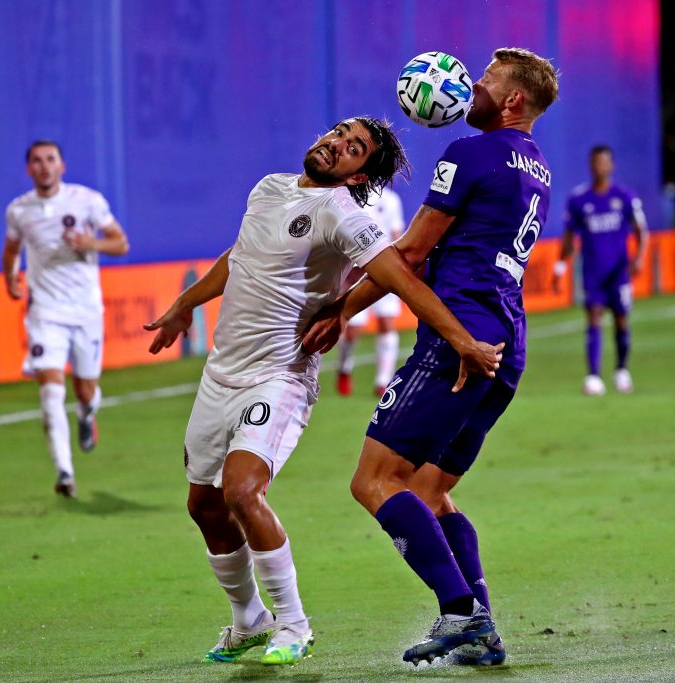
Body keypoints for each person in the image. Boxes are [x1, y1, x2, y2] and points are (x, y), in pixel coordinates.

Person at [144, 117, 502, 667]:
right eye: (339, 133)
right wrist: (185, 304)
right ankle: (249, 619)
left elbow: (401, 277)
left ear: (360, 176)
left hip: (280, 374)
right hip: (221, 374)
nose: (337, 144)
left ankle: (294, 624)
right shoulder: (268, 188)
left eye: (354, 148)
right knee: (204, 506)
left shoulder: (343, 213)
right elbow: (238, 258)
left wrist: (461, 340)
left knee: (242, 492)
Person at [303, 47, 559, 666]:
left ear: (514, 100)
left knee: (374, 481)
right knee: (428, 489)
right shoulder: (539, 166)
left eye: (487, 81)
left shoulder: (471, 153)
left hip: (460, 341)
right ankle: (482, 625)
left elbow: (410, 253)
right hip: (506, 344)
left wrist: (342, 308)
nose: (474, 86)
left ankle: (460, 611)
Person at [2, 140, 130, 498]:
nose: (44, 166)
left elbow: (121, 243)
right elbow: (11, 250)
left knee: (85, 390)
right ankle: (64, 472)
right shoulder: (19, 211)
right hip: (45, 312)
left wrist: (93, 244)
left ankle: (87, 415)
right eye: (37, 161)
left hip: (86, 312)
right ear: (28, 169)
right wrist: (10, 277)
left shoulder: (87, 201)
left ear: (63, 165)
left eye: (50, 159)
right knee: (50, 391)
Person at [552, 145, 649, 396]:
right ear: (590, 165)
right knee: (593, 317)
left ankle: (621, 370)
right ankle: (594, 376)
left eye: (604, 162)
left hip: (619, 271)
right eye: (595, 162)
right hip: (593, 272)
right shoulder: (579, 199)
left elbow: (641, 231)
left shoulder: (624, 196)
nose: (599, 167)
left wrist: (638, 258)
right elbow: (569, 237)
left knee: (621, 320)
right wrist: (560, 266)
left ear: (611, 165)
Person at [336, 186, 407, 397]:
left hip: (383, 273)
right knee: (351, 329)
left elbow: (397, 234)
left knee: (386, 322)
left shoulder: (391, 199)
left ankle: (383, 381)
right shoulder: (349, 197)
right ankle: (344, 367)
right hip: (355, 274)